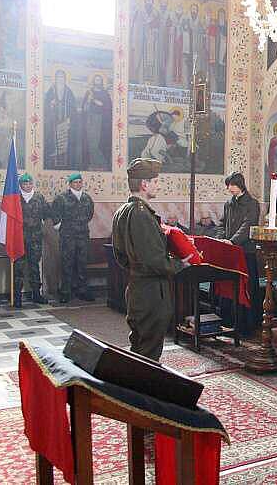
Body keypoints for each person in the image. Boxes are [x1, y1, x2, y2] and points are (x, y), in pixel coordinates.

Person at [112, 158, 187, 360]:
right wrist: (182, 263)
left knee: (139, 346)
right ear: (145, 184)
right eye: (156, 181)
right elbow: (155, 261)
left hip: (136, 286)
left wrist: (137, 268)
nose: (158, 185)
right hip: (152, 293)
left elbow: (120, 255)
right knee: (149, 354)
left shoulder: (122, 212)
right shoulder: (141, 214)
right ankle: (144, 390)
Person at [214, 172, 262, 334]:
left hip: (245, 251)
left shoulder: (252, 203)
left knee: (246, 288)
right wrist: (221, 239)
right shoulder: (229, 203)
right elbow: (222, 223)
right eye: (228, 186)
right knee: (229, 287)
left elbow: (248, 225)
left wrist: (233, 241)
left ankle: (247, 325)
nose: (229, 189)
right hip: (229, 251)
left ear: (240, 185)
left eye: (231, 185)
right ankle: (228, 321)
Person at [51, 173, 95, 303]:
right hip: (67, 236)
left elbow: (90, 214)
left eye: (80, 182)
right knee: (67, 263)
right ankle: (65, 291)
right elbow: (55, 213)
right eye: (75, 182)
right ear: (70, 184)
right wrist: (63, 227)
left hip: (82, 235)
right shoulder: (62, 198)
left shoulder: (87, 198)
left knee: (82, 263)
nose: (78, 184)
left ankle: (82, 290)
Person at [14, 173, 51, 308]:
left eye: (29, 183)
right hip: (19, 239)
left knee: (34, 266)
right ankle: (17, 296)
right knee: (18, 267)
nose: (27, 186)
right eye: (25, 184)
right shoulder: (15, 198)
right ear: (21, 185)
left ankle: (36, 294)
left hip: (35, 238)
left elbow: (47, 213)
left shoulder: (39, 197)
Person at [44, 70, 78, 169]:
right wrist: (51, 104)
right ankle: (52, 165)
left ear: (65, 79)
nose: (60, 79)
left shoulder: (68, 91)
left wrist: (70, 119)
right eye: (58, 77)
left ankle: (66, 166)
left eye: (62, 77)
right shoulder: (51, 90)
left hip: (65, 123)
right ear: (55, 78)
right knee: (53, 143)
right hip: (53, 123)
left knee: (65, 144)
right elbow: (45, 105)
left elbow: (73, 108)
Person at [80, 74, 112, 170]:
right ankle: (93, 164)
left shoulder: (104, 93)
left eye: (99, 80)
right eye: (96, 80)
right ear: (93, 81)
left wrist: (97, 102)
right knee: (90, 142)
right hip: (89, 119)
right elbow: (84, 108)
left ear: (101, 82)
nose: (97, 82)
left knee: (96, 143)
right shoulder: (89, 92)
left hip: (100, 120)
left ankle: (102, 164)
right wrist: (89, 101)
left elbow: (108, 107)